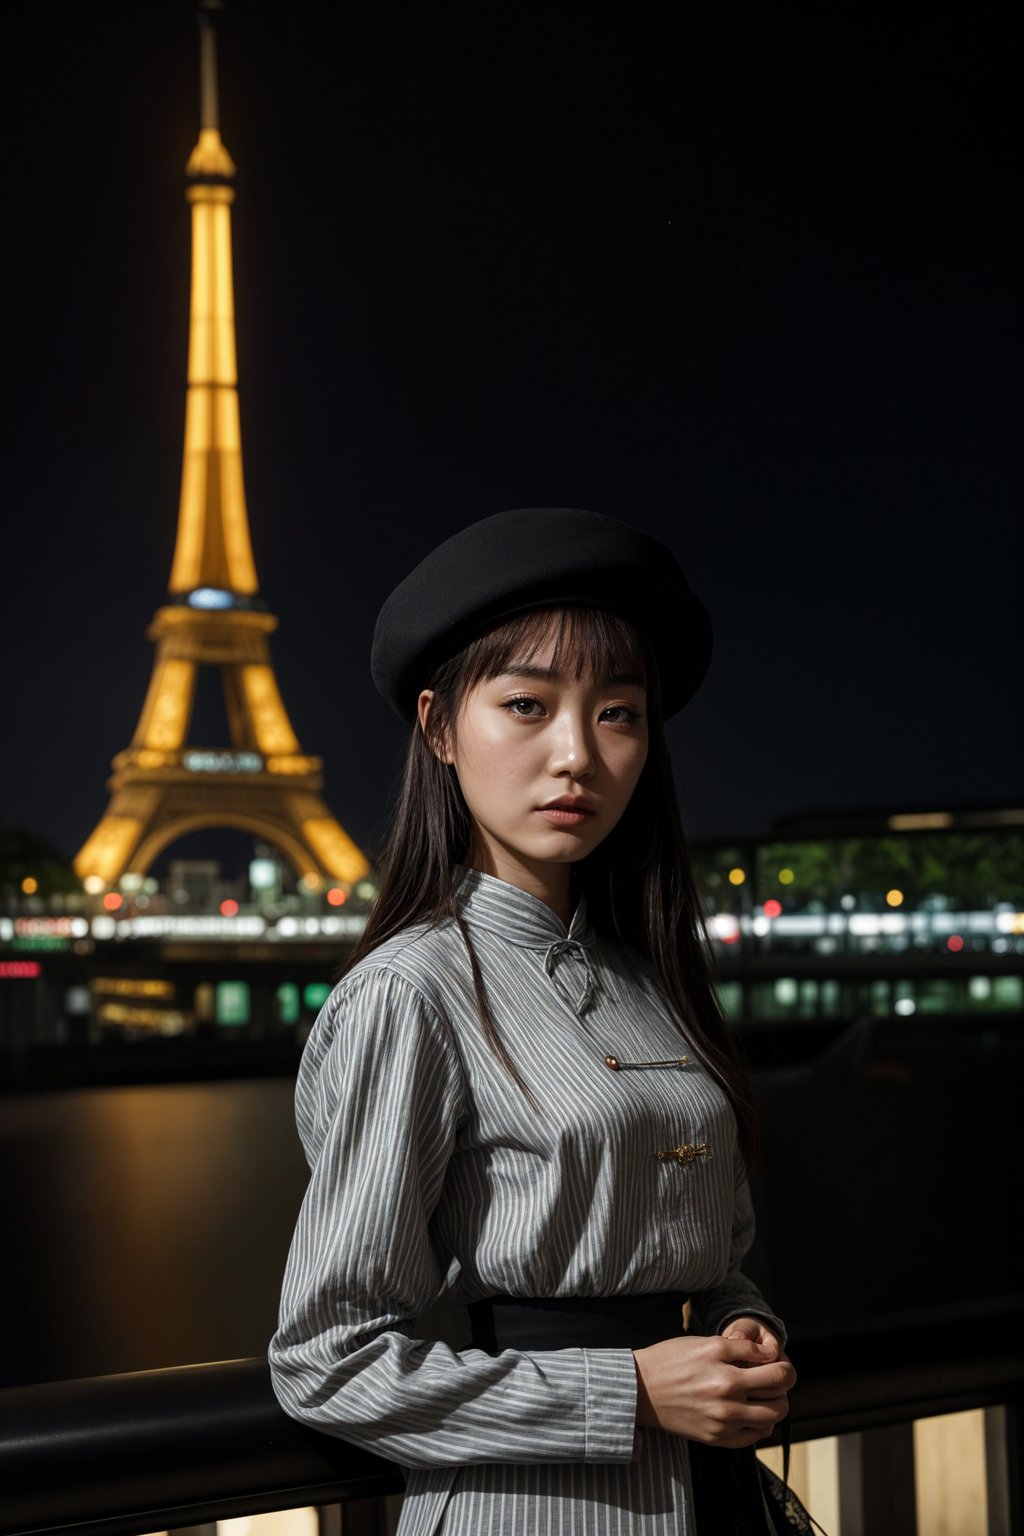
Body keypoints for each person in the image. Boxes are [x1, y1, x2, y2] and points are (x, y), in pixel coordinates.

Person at [269, 507, 796, 1535]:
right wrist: (629, 1391)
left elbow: (710, 1254)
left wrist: (742, 1324)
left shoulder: (652, 977)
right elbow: (326, 1362)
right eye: (525, 705)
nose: (576, 757)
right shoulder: (409, 992)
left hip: (712, 1497)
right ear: (437, 728)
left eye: (617, 714)